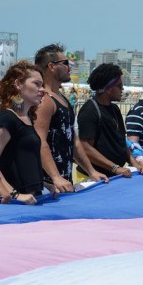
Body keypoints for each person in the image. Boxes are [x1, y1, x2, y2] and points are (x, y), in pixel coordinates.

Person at [33, 44, 107, 193]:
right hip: (48, 187)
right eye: (65, 63)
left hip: (63, 184)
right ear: (51, 66)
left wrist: (91, 171)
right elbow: (38, 141)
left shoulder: (63, 100)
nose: (69, 67)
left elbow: (74, 141)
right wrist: (55, 177)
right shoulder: (45, 101)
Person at [77, 63, 143, 178]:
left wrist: (135, 163)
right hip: (93, 177)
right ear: (109, 88)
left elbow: (121, 142)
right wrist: (115, 167)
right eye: (119, 85)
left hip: (115, 174)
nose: (122, 89)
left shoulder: (114, 109)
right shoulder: (90, 110)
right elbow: (86, 148)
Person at [0, 61, 48, 205]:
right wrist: (13, 194)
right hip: (15, 204)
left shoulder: (27, 118)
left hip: (32, 199)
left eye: (42, 85)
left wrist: (47, 185)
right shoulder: (7, 119)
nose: (43, 90)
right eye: (37, 84)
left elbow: (26, 162)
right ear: (18, 84)